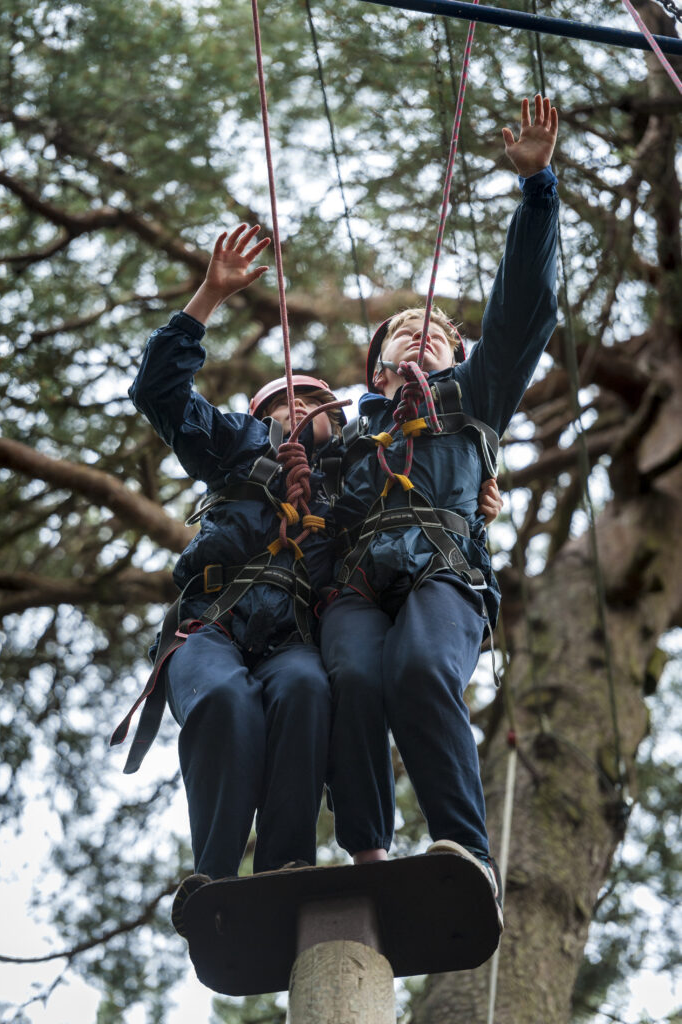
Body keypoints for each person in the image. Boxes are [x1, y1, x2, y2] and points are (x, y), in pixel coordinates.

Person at [320, 94, 560, 927]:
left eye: (438, 332)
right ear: (374, 364)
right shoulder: (344, 435)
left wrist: (536, 192)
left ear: (460, 355)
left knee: (421, 671)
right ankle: (368, 852)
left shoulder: (475, 394)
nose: (420, 333)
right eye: (402, 329)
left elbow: (524, 310)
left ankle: (462, 847)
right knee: (352, 679)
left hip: (441, 568)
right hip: (356, 578)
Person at [111, 226, 346, 932]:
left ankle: (285, 866)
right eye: (289, 398)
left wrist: (476, 502)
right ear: (261, 414)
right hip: (212, 622)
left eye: (320, 402)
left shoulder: (357, 487)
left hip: (294, 635)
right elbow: (158, 391)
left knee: (306, 691)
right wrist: (208, 298)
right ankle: (213, 875)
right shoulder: (235, 444)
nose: (304, 405)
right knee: (222, 700)